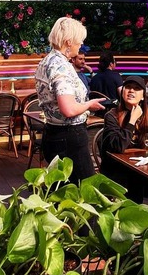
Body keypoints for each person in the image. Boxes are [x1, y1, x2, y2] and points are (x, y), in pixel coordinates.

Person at [34, 17, 104, 183]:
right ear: (68, 42)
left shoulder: (46, 61)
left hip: (52, 132)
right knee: (84, 191)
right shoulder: (61, 66)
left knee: (61, 192)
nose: (81, 45)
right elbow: (69, 109)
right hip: (69, 136)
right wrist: (89, 104)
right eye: (79, 42)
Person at [100, 76, 148, 201]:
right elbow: (118, 146)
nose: (131, 91)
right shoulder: (112, 115)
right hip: (117, 171)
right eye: (128, 87)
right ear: (122, 92)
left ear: (143, 96)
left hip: (143, 169)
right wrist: (132, 121)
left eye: (136, 89)